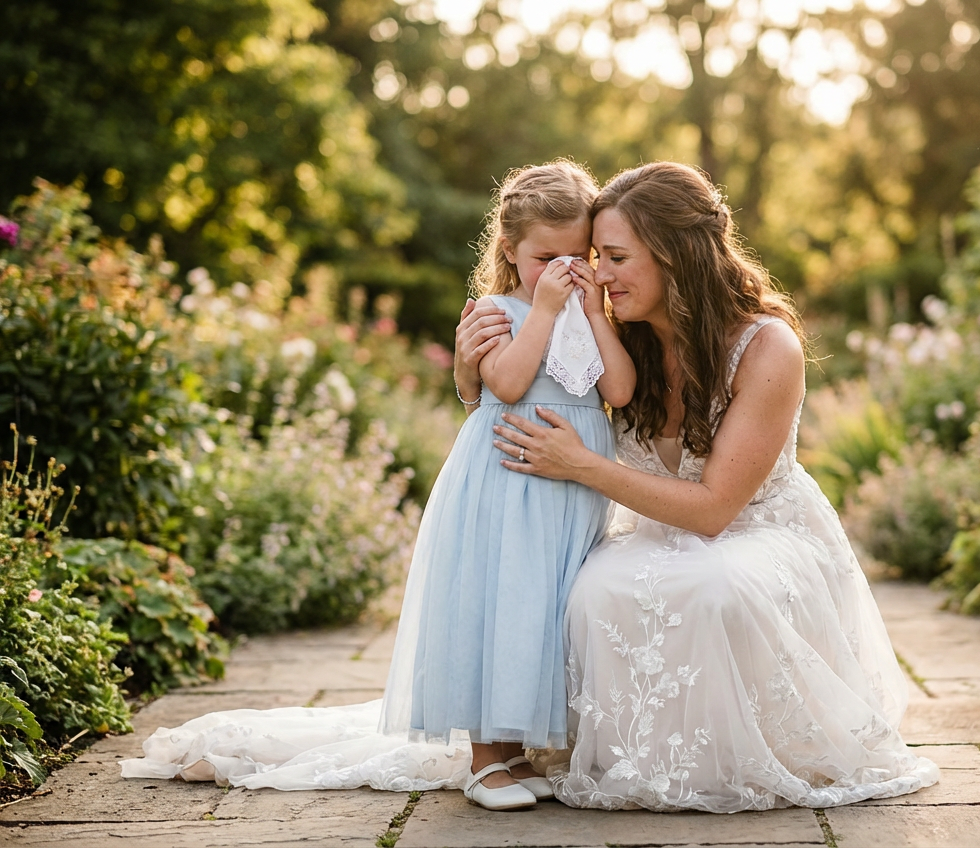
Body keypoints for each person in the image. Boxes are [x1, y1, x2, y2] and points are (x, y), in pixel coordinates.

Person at [120, 160, 636, 813]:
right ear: (509, 251)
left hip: (567, 495)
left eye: (576, 258)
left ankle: (515, 752)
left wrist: (591, 312)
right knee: (499, 604)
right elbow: (505, 384)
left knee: (539, 612)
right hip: (509, 485)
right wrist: (547, 308)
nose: (562, 271)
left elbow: (620, 390)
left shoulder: (586, 314)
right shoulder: (498, 312)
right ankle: (484, 761)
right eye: (545, 258)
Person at [478, 162, 940, 812]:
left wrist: (582, 466)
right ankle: (632, 755)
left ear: (675, 255)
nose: (599, 275)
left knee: (718, 585)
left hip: (755, 531)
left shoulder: (766, 347)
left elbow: (716, 509)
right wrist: (470, 370)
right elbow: (520, 384)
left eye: (616, 258)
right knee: (591, 592)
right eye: (596, 257)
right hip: (655, 529)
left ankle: (727, 757)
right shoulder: (619, 337)